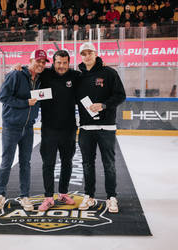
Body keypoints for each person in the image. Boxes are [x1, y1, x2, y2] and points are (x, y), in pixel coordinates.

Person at [0, 49, 48, 211]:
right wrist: (25, 103)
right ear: (30, 60)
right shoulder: (15, 75)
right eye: (38, 61)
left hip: (28, 128)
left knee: (25, 163)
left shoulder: (40, 78)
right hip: (11, 127)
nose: (41, 65)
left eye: (44, 62)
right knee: (7, 162)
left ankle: (25, 196)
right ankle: (0, 194)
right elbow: (3, 97)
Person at [76, 42, 126, 213]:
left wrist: (104, 105)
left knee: (109, 164)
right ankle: (89, 196)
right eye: (83, 53)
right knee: (87, 164)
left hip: (106, 128)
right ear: (80, 56)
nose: (87, 56)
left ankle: (111, 197)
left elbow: (121, 95)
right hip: (85, 129)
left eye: (90, 52)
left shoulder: (109, 73)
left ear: (96, 54)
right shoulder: (78, 76)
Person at [37, 50, 80, 211]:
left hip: (69, 129)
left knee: (67, 163)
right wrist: (17, 67)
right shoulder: (45, 75)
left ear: (69, 63)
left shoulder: (75, 76)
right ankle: (48, 197)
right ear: (53, 62)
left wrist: (101, 64)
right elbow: (31, 71)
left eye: (64, 63)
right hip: (49, 129)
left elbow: (90, 75)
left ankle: (63, 193)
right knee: (48, 163)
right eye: (58, 62)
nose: (61, 66)